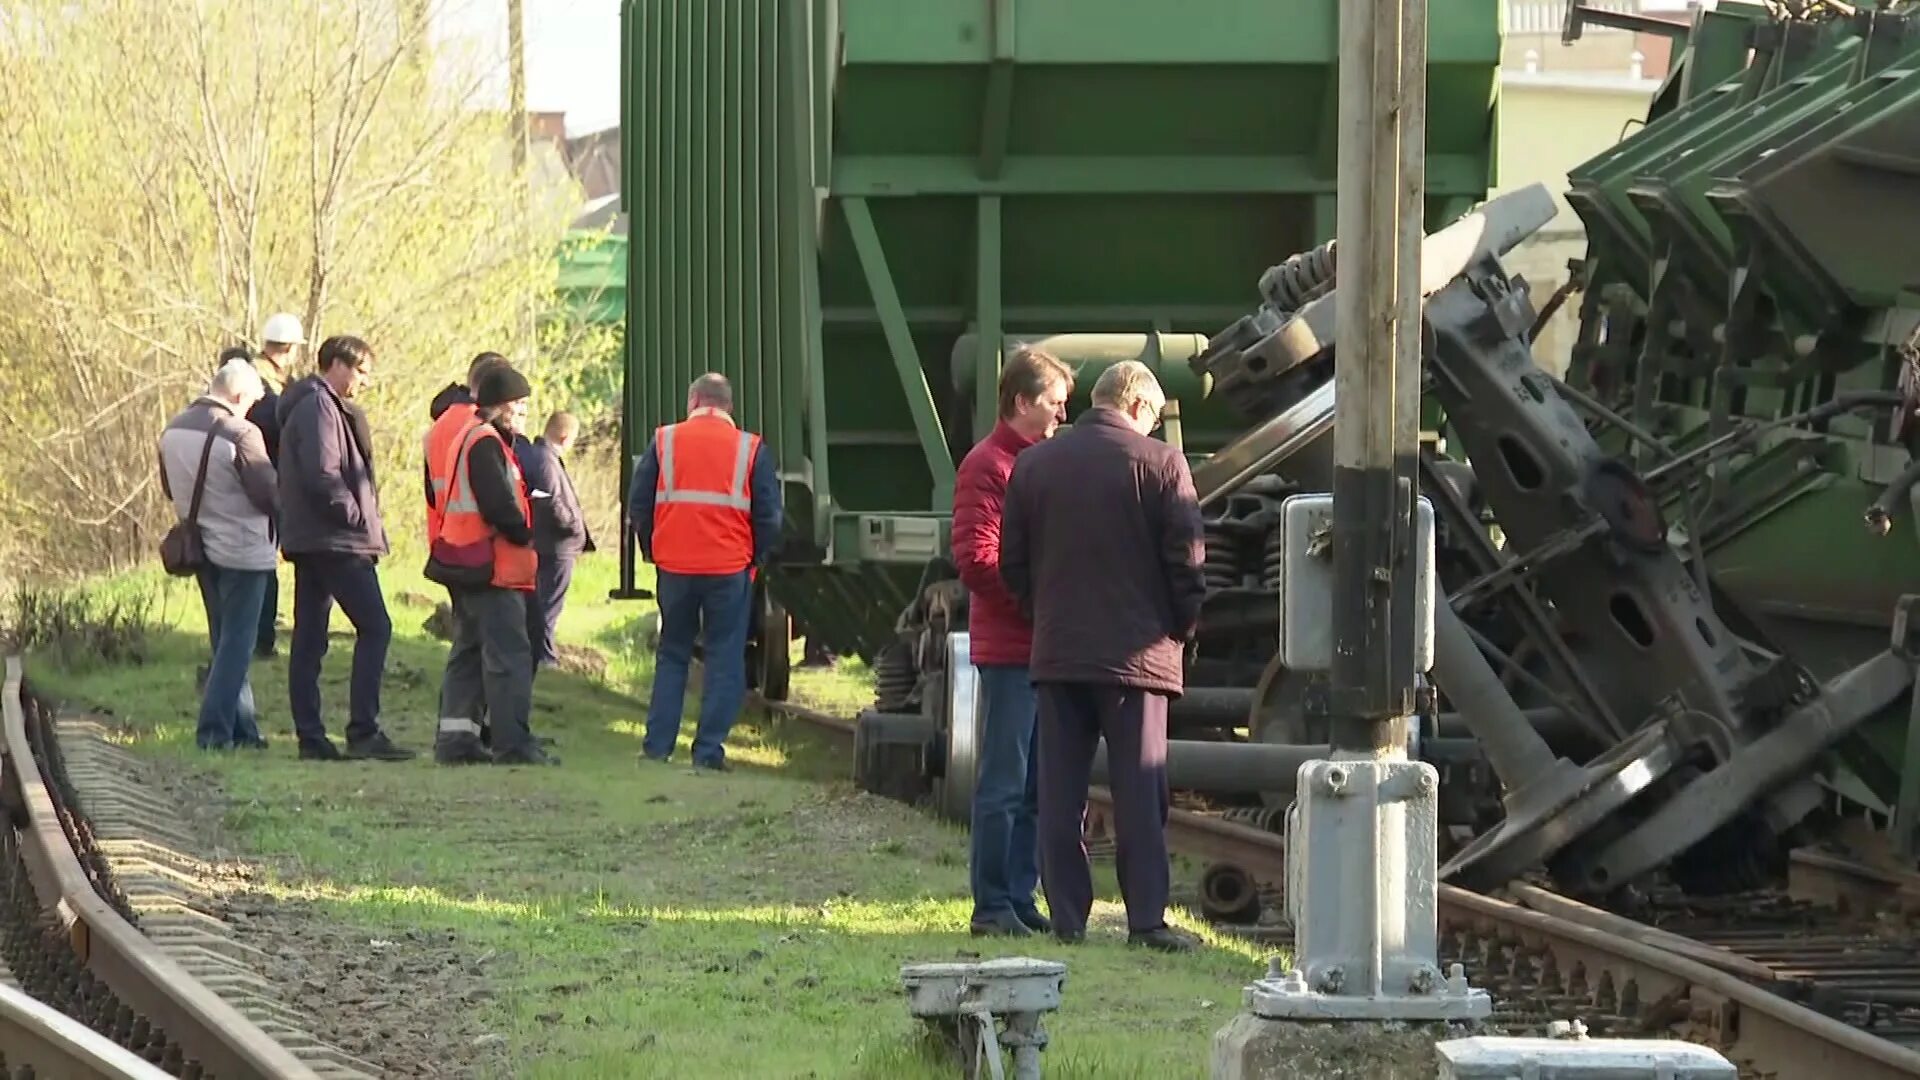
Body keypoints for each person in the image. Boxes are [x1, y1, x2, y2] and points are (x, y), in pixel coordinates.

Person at [1000, 361, 1207, 952]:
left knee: (1059, 792)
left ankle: (1068, 918)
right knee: (1140, 791)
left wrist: (1044, 617)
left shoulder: (1035, 464)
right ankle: (1145, 920)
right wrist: (1180, 628)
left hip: (1060, 654)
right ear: (1140, 406)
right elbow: (1187, 560)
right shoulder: (1163, 464)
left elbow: (1012, 561)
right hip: (1138, 659)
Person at [951, 346, 1074, 938]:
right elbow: (976, 560)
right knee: (1004, 781)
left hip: (1041, 643)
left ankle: (1019, 896)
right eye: (1054, 403)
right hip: (1010, 649)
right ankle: (992, 904)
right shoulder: (990, 465)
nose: (1061, 416)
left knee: (1031, 785)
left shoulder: (1039, 462)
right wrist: (1038, 600)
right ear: (1021, 401)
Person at [628, 373, 782, 771]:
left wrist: (653, 549)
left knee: (673, 653)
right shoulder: (751, 448)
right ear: (728, 406)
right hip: (728, 569)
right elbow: (769, 516)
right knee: (724, 657)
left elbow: (639, 503)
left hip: (675, 566)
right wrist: (754, 558)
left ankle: (657, 748)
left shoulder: (665, 441)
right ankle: (708, 752)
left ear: (693, 400)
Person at [277, 335, 416, 762]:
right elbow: (324, 474)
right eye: (361, 371)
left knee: (310, 638)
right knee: (375, 627)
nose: (364, 382)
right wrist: (356, 516)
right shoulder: (320, 406)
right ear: (337, 364)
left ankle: (312, 735)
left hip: (315, 538)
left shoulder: (313, 404)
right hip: (335, 540)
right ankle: (362, 729)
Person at [427, 364, 557, 767]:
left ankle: (456, 740)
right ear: (500, 407)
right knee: (509, 657)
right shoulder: (486, 443)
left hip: (467, 561)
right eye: (518, 406)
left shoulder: (468, 437)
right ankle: (512, 743)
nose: (523, 414)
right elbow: (498, 504)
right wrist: (524, 533)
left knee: (468, 652)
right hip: (493, 566)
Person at [159, 358, 279, 751]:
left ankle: (244, 731)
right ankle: (214, 733)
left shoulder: (173, 428)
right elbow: (268, 494)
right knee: (238, 644)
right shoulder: (241, 433)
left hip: (201, 546)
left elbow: (168, 488)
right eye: (252, 402)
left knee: (224, 640)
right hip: (242, 548)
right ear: (239, 395)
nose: (252, 410)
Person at [518, 410, 595, 677]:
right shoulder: (546, 460)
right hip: (557, 545)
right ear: (565, 436)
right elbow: (548, 498)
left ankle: (543, 655)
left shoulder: (542, 457)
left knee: (546, 603)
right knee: (549, 606)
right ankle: (546, 659)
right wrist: (573, 524)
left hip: (554, 544)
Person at [250, 312, 305, 659]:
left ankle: (260, 634)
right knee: (263, 559)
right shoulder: (265, 384)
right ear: (290, 348)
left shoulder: (259, 376)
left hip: (260, 475)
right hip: (266, 476)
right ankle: (262, 638)